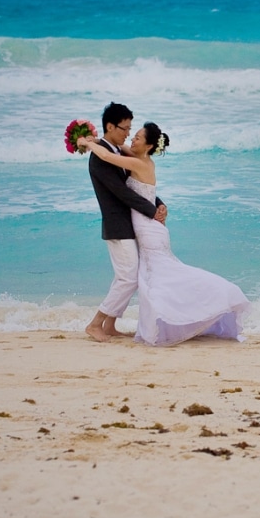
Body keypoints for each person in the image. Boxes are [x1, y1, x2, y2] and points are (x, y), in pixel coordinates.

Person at [78, 122, 250, 346]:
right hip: (148, 226)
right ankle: (114, 324)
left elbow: (107, 156)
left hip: (148, 228)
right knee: (149, 276)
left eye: (138, 137)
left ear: (149, 146)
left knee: (159, 277)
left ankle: (184, 313)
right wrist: (96, 140)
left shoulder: (138, 163)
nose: (132, 139)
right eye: (133, 135)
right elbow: (117, 148)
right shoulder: (140, 158)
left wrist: (85, 143)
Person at [84, 102, 168, 342]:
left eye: (132, 129)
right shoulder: (100, 156)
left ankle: (109, 324)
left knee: (126, 276)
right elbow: (122, 192)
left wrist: (158, 203)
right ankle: (95, 324)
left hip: (130, 224)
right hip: (117, 225)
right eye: (125, 128)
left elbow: (138, 184)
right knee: (128, 278)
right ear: (110, 127)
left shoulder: (117, 151)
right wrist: (152, 211)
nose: (128, 134)